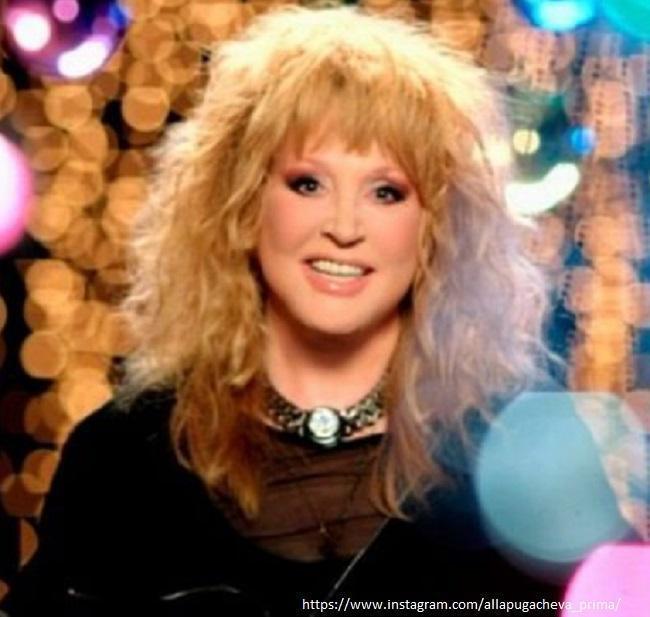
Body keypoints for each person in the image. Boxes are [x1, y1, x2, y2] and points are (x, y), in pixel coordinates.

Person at [1, 5, 634, 617]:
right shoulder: (121, 460)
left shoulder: (532, 455)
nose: (344, 227)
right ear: (243, 204)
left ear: (437, 226)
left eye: (386, 192)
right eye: (308, 183)